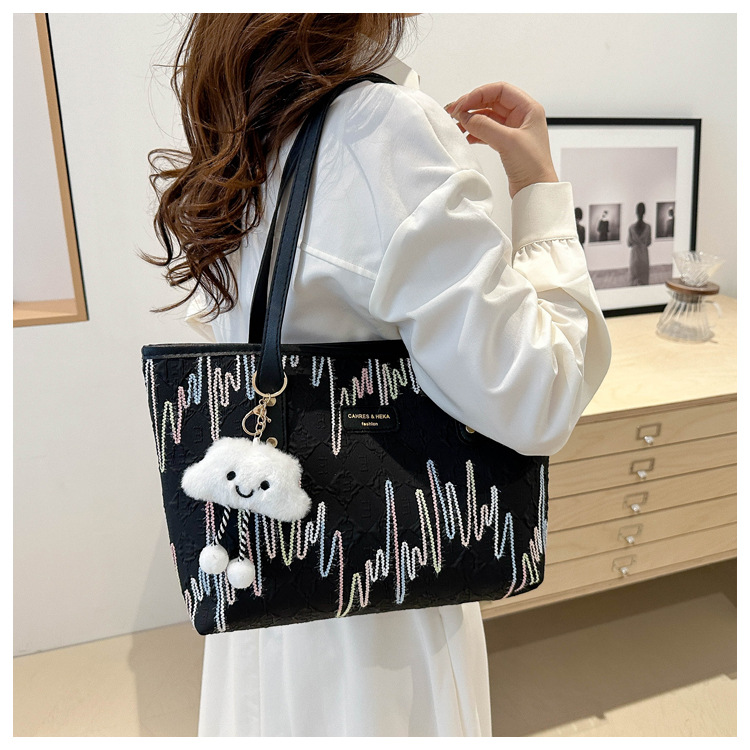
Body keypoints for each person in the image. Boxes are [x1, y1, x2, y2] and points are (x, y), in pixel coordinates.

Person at [146, 13, 611, 737]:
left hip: (264, 567)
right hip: (379, 608)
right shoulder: (382, 130)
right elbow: (540, 395)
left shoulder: (248, 110)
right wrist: (538, 186)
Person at [628, 202, 652, 285]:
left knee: (633, 280)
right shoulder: (648, 227)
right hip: (644, 255)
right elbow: (649, 242)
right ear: (644, 212)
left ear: (636, 212)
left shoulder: (631, 228)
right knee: (644, 279)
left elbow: (629, 243)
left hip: (634, 255)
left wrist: (636, 243)